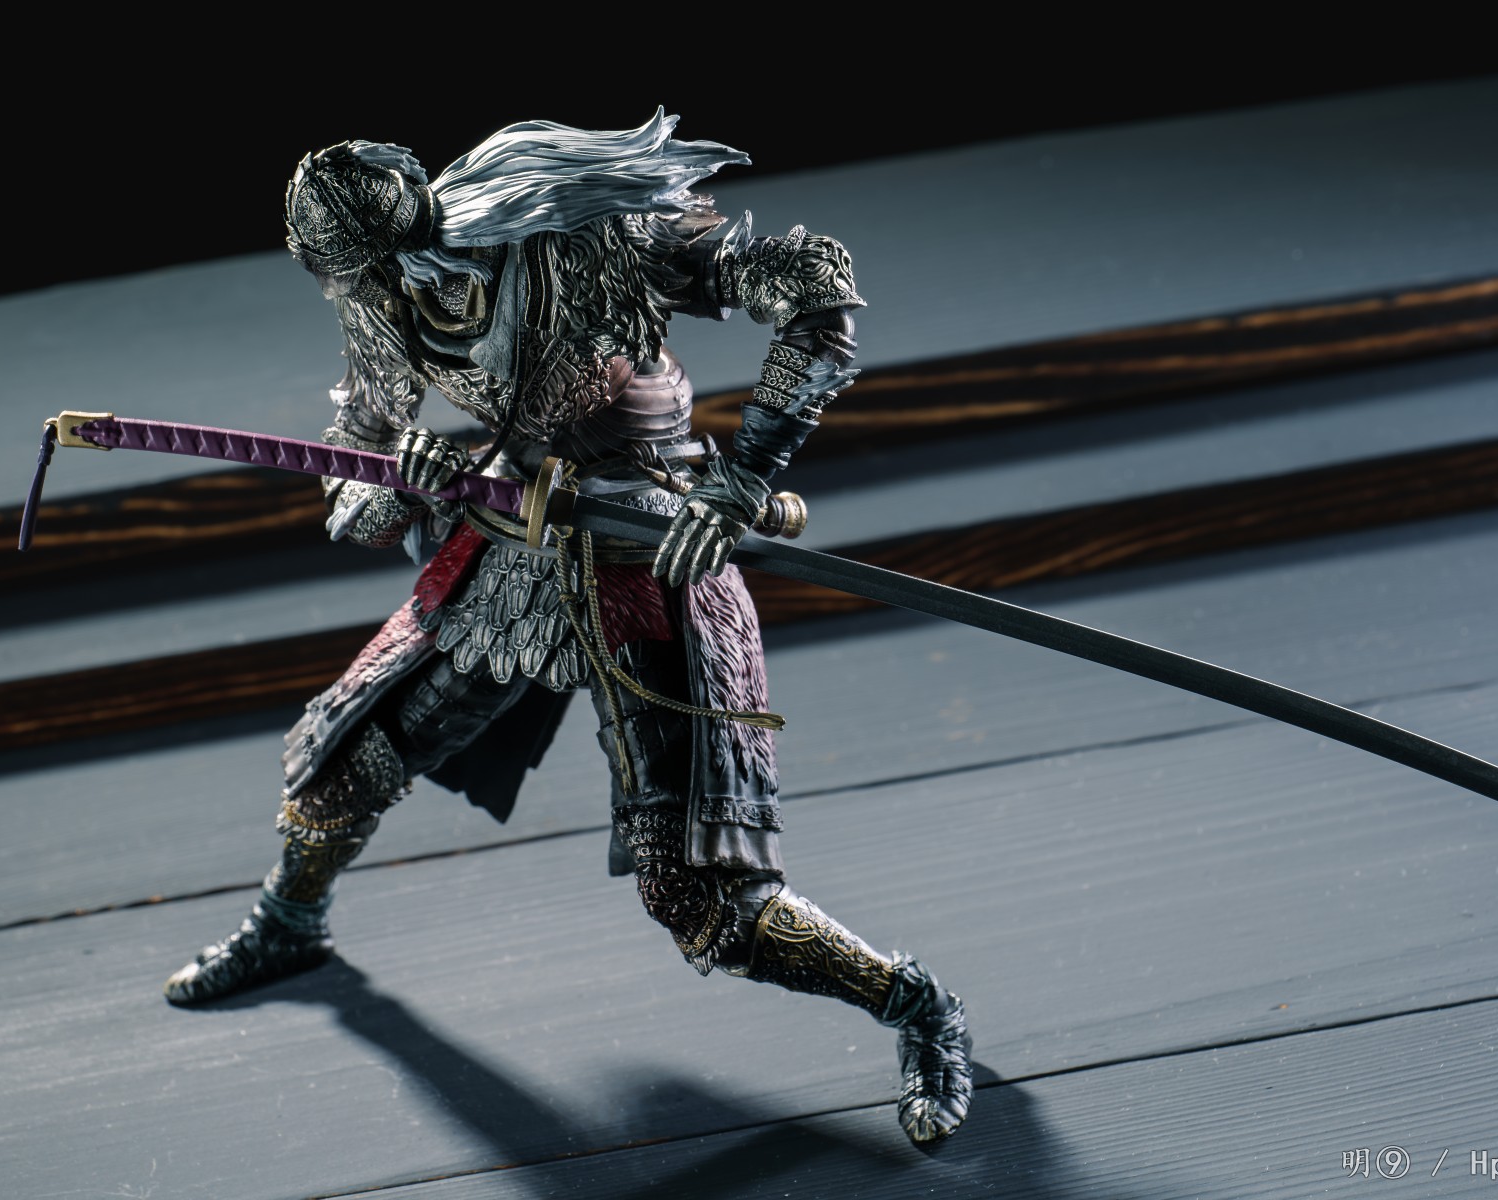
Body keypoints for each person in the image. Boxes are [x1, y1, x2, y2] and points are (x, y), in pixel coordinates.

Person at [162, 110, 973, 1144]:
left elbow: (813, 286)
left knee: (698, 896)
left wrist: (742, 479)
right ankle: (289, 922)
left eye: (377, 267)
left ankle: (916, 1004)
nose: (378, 291)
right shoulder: (382, 291)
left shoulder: (578, 234)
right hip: (510, 550)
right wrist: (401, 481)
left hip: (648, 552)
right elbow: (356, 480)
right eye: (359, 278)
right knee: (340, 762)